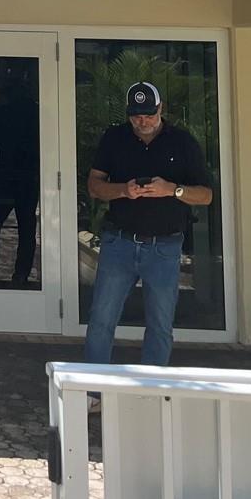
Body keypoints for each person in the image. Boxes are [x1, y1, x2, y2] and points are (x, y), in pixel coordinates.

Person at [82, 81, 212, 373]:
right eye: (136, 115)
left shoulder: (182, 142)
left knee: (160, 323)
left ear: (160, 109)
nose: (143, 121)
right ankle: (92, 389)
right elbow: (94, 185)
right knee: (101, 318)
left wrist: (172, 190)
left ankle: (151, 393)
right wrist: (123, 191)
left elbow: (206, 195)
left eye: (149, 114)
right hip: (119, 242)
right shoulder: (114, 138)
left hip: (164, 246)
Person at [0, 69, 40, 286]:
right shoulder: (37, 113)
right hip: (29, 178)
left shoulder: (4, 112)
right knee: (27, 229)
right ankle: (21, 275)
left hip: (5, 176)